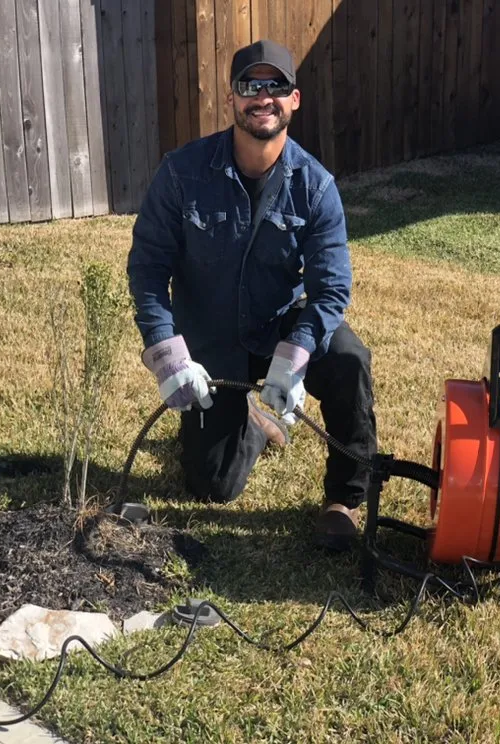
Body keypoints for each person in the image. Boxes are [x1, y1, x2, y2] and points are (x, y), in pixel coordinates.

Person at [126, 39, 377, 551]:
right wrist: (168, 355)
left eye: (276, 86)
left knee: (349, 358)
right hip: (210, 341)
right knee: (212, 486)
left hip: (280, 328)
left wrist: (298, 354)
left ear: (294, 99)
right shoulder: (181, 173)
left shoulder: (317, 186)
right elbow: (148, 268)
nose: (263, 97)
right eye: (250, 86)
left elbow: (331, 288)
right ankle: (257, 424)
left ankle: (344, 500)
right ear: (232, 98)